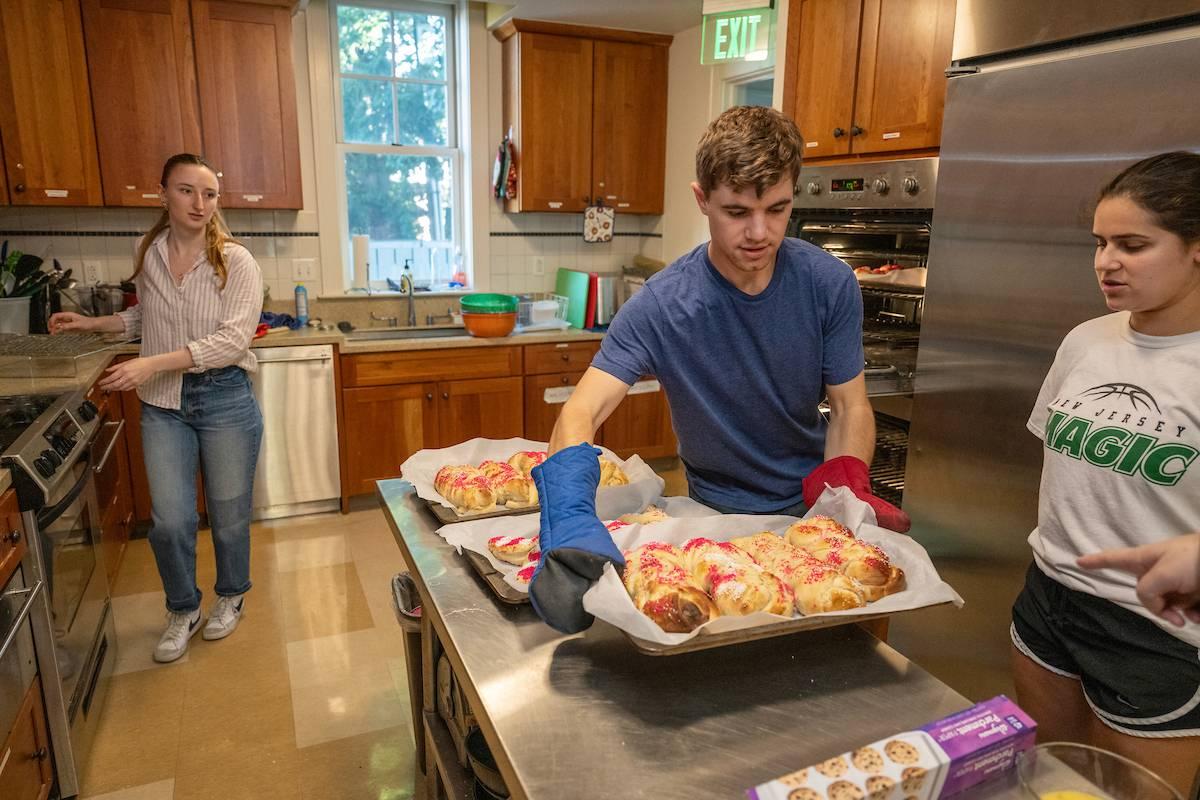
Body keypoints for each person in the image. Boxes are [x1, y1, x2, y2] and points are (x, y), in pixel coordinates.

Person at [527, 107, 906, 634]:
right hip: (711, 517)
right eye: (736, 211)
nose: (759, 232)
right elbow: (582, 410)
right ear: (701, 199)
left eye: (777, 209)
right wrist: (568, 514)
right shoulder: (662, 304)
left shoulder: (828, 284)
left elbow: (849, 406)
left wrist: (849, 489)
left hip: (814, 516)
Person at [1010, 152, 1200, 795]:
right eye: (1100, 243)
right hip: (1049, 597)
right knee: (1052, 779)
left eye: (1133, 244)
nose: (1105, 261)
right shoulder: (1087, 341)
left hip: (1155, 631)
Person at [50, 153, 264, 663]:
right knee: (169, 520)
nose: (199, 203)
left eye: (209, 194)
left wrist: (150, 365)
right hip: (164, 405)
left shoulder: (236, 261)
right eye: (187, 190)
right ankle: (183, 608)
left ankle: (231, 596)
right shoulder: (149, 253)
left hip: (224, 397)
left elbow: (233, 341)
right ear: (163, 193)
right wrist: (94, 325)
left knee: (229, 516)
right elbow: (149, 316)